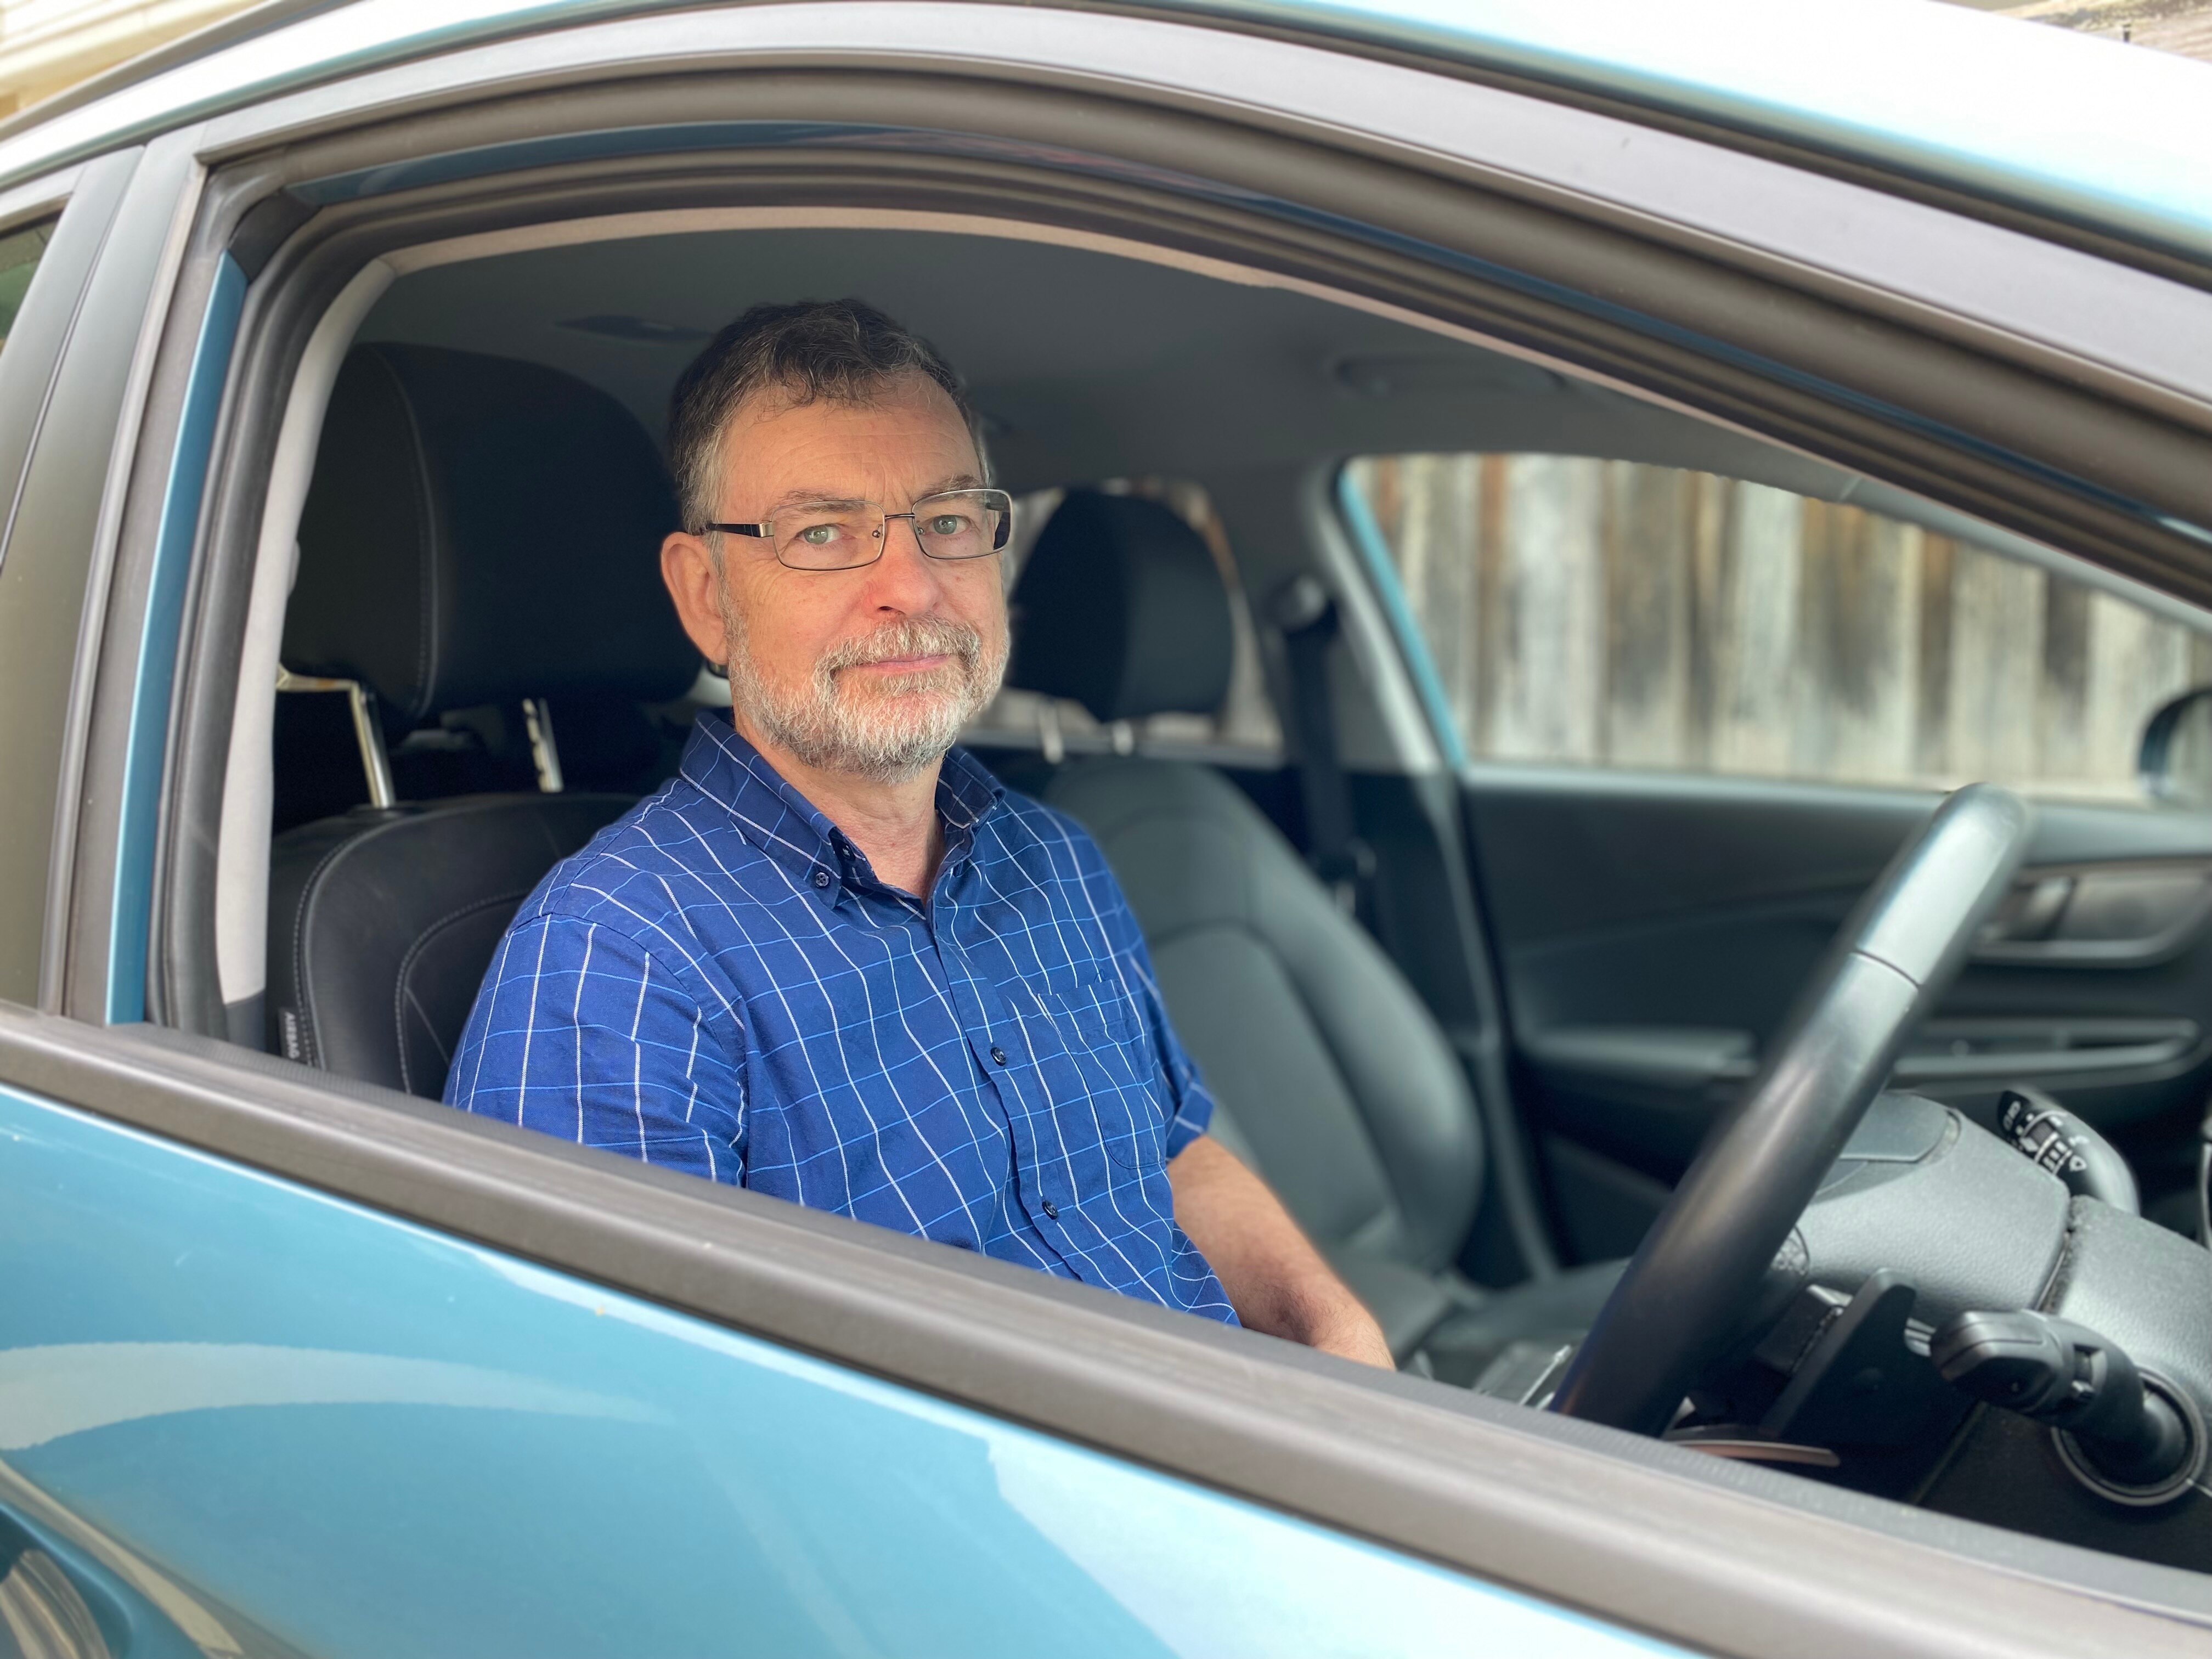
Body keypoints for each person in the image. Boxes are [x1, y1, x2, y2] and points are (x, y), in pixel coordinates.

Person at [444, 298, 1392, 1369]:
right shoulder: (619, 955)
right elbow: (611, 1415)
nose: (909, 585)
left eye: (945, 520)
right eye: (823, 533)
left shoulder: (1055, 861)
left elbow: (1171, 1152)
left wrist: (1334, 1332)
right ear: (707, 596)